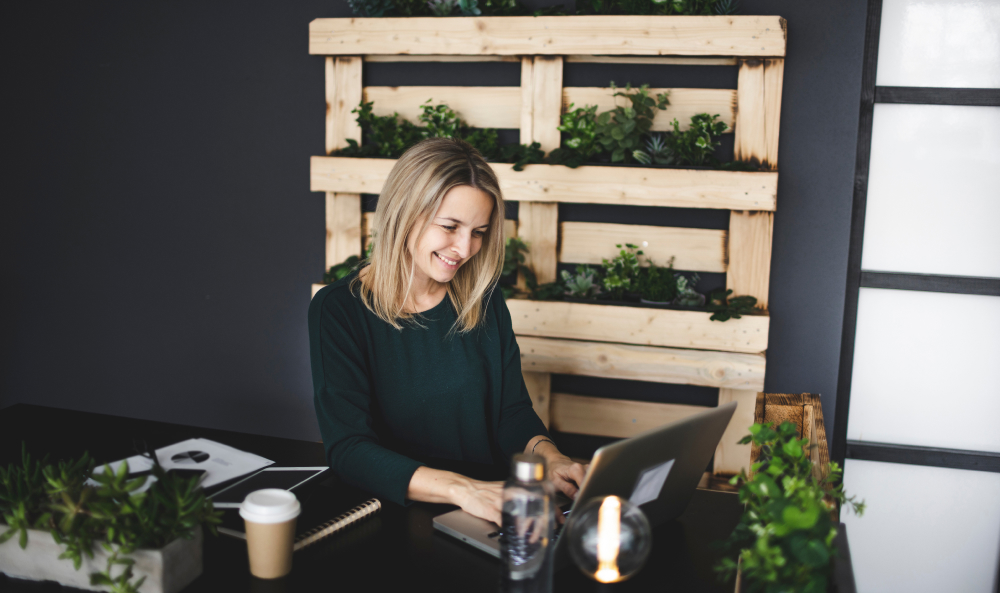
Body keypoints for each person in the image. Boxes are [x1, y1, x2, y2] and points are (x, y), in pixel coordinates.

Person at [309, 137, 587, 525]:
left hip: (489, 508)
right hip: (396, 515)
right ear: (404, 213)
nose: (465, 248)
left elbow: (510, 411)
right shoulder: (339, 309)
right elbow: (349, 449)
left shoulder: (483, 298)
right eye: (450, 226)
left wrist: (550, 457)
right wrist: (463, 489)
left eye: (479, 231)